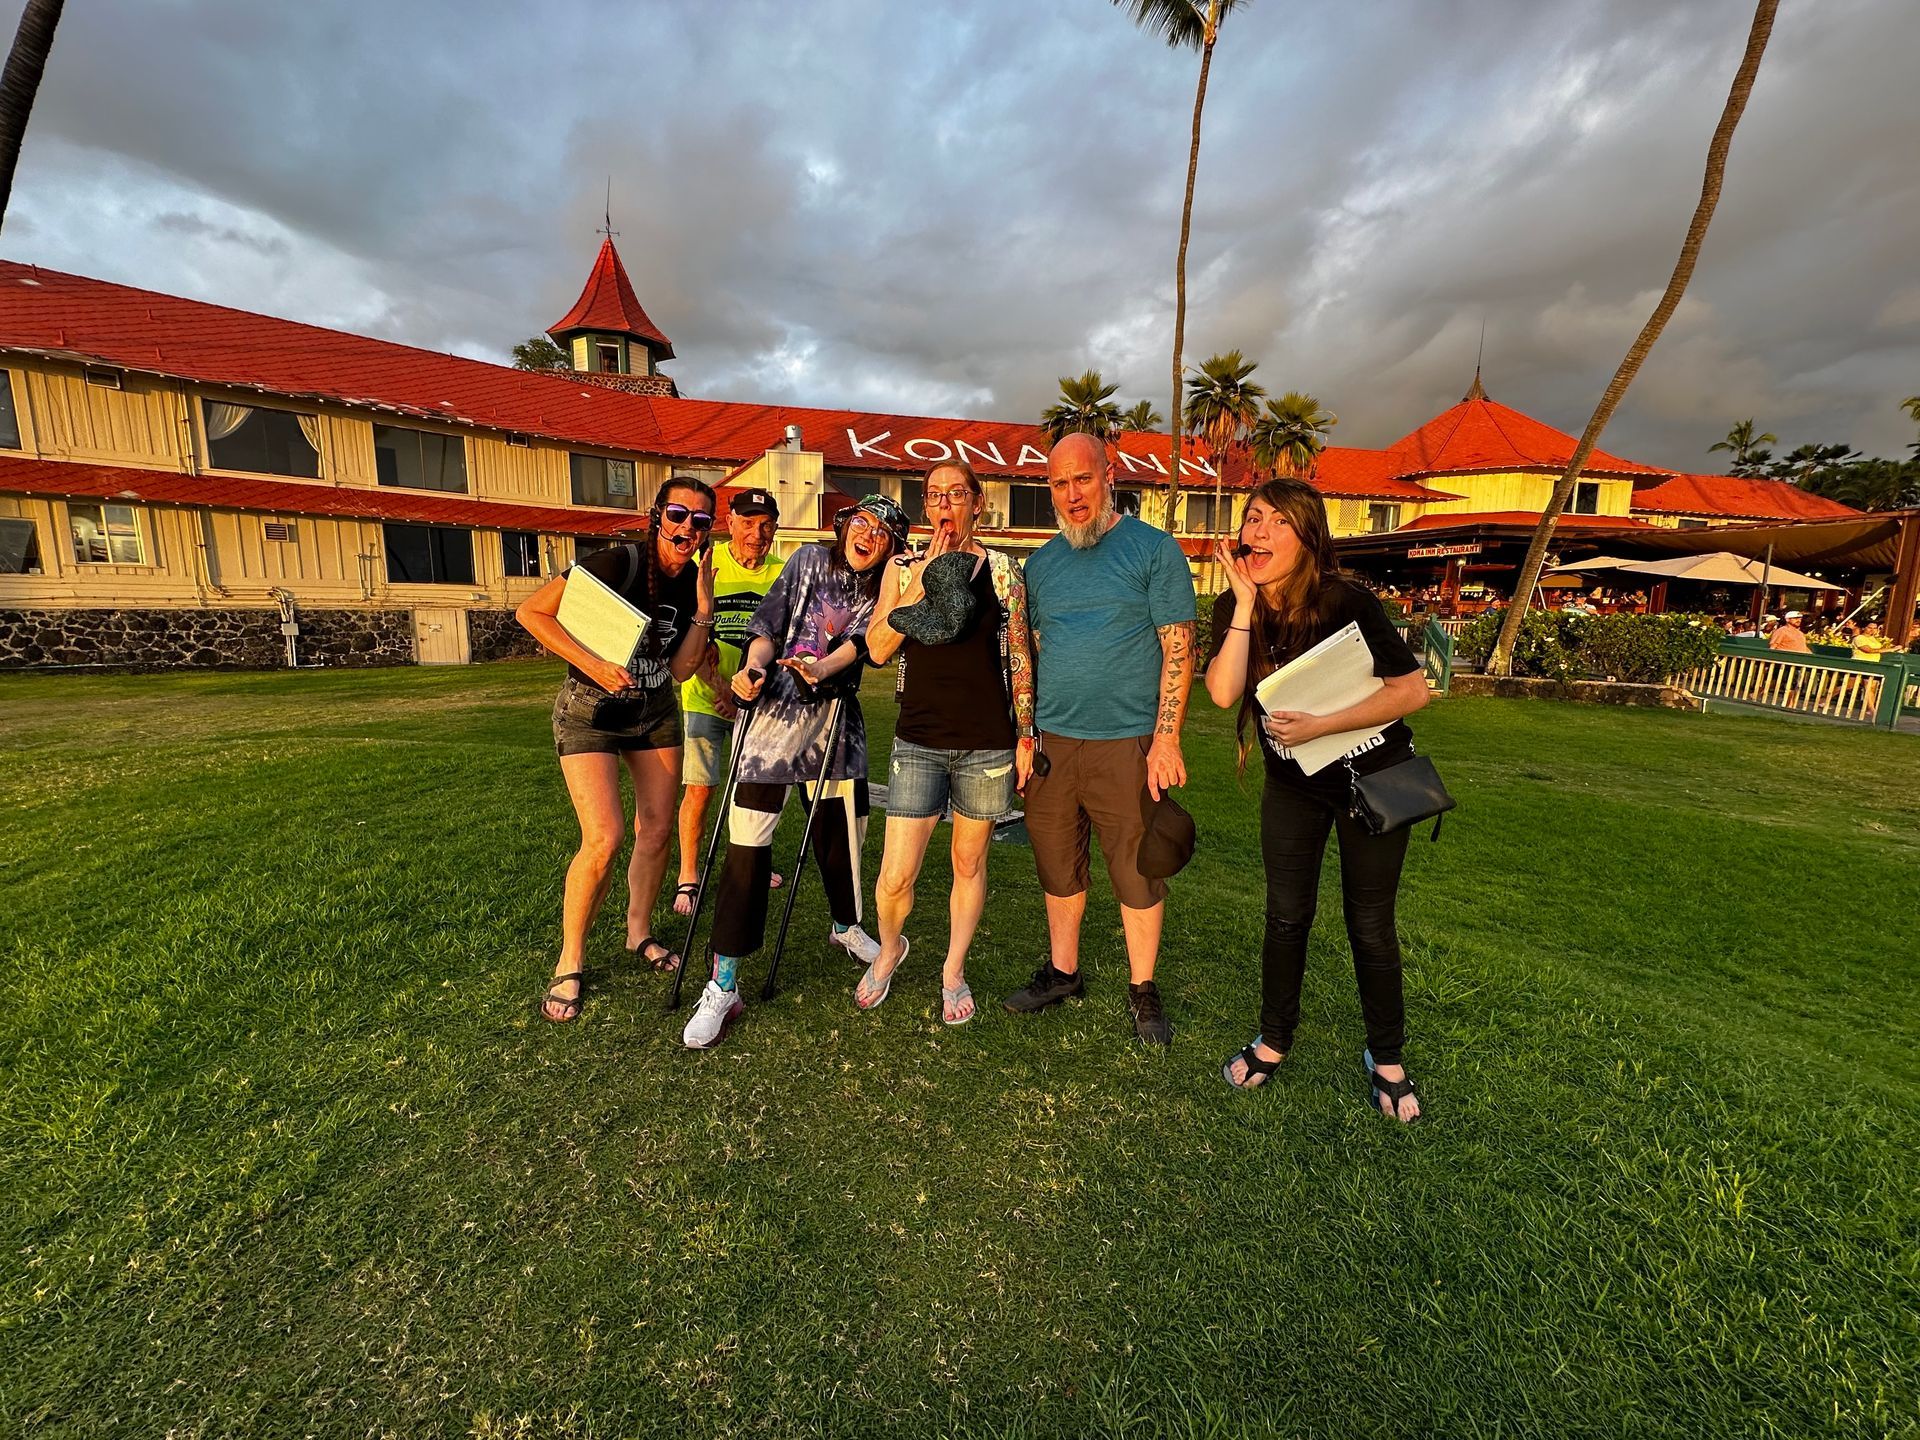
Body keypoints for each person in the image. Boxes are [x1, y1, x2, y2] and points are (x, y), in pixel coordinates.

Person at [1203, 478, 1432, 1119]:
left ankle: (1386, 1055)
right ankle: (1274, 1039)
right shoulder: (1233, 608)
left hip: (1370, 779)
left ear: (1308, 538)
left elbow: (1411, 692)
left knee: (1371, 925)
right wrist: (1245, 607)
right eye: (1253, 519)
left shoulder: (1346, 602)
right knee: (1285, 916)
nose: (1260, 532)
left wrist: (1324, 725)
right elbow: (1223, 693)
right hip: (1292, 787)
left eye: (1279, 522)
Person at [681, 495, 909, 1049]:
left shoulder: (888, 587)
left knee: (843, 835)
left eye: (883, 533)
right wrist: (754, 668)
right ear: (845, 525)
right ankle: (724, 982)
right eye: (862, 523)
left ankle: (845, 926)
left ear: (893, 547)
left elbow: (865, 647)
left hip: (835, 720)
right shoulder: (807, 559)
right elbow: (768, 627)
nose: (869, 536)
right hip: (773, 718)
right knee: (747, 848)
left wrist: (822, 668)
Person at [1007, 432, 1195, 1046]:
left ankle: (1143, 989)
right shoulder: (1040, 566)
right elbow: (1027, 657)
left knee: (1137, 868)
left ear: (1108, 476)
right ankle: (1063, 972)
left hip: (1129, 742)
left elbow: (1178, 646)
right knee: (1058, 863)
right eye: (1059, 484)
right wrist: (1026, 733)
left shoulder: (1153, 550)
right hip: (1055, 745)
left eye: (1082, 480)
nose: (1071, 495)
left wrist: (1165, 739)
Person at [516, 476, 719, 1023]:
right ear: (658, 516)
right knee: (604, 837)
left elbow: (679, 670)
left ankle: (638, 932)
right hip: (591, 714)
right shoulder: (617, 563)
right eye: (678, 516)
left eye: (700, 521)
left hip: (654, 714)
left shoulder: (692, 581)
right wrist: (595, 665)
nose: (687, 529)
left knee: (656, 830)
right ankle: (570, 959)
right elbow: (531, 613)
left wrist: (703, 610)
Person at [858, 459, 1036, 1025]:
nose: (944, 505)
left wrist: (1027, 733)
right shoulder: (902, 566)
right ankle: (890, 948)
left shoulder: (1004, 571)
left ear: (976, 503)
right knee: (895, 877)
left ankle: (952, 970)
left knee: (968, 860)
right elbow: (880, 647)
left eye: (956, 494)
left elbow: (1020, 657)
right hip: (919, 740)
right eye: (934, 495)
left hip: (988, 742)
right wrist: (923, 574)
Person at [671, 487, 788, 915]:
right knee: (700, 791)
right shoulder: (706, 563)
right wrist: (721, 690)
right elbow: (688, 631)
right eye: (748, 522)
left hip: (758, 704)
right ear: (731, 523)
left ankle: (752, 865)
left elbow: (784, 638)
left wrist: (745, 693)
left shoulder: (783, 572)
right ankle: (688, 876)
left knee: (753, 793)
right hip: (706, 699)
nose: (757, 533)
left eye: (766, 524)